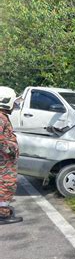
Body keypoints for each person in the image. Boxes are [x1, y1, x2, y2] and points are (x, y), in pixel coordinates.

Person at [0, 86, 23, 225]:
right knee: (6, 185)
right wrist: (11, 151)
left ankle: (3, 209)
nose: (14, 105)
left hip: (4, 161)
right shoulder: (1, 118)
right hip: (4, 163)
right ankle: (3, 214)